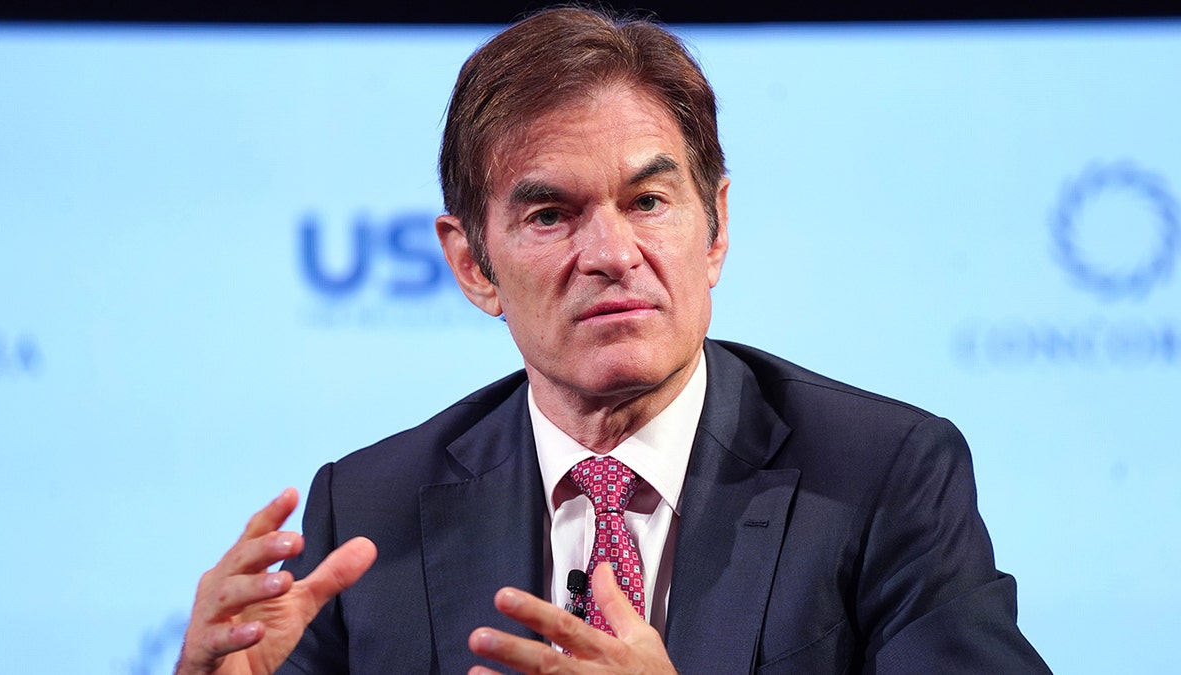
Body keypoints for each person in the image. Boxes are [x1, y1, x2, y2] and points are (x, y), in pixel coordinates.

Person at [175, 7, 1051, 674]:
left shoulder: (880, 476)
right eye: (552, 214)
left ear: (715, 230)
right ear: (473, 265)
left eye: (648, 202)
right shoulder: (367, 514)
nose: (611, 254)